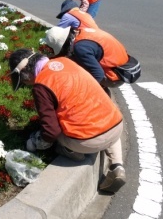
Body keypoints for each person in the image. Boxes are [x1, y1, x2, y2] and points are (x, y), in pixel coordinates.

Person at [8, 48, 126, 193]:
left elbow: (51, 132)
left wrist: (33, 142)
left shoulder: (41, 86)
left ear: (26, 76)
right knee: (105, 123)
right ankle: (117, 166)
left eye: (24, 82)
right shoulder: (65, 61)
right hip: (115, 125)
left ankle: (74, 152)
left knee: (58, 137)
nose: (27, 84)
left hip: (89, 139)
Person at [44, 26, 129, 90]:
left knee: (75, 68)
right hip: (123, 67)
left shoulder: (80, 48)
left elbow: (98, 74)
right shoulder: (81, 32)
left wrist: (82, 90)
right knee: (75, 60)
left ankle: (101, 94)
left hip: (115, 77)